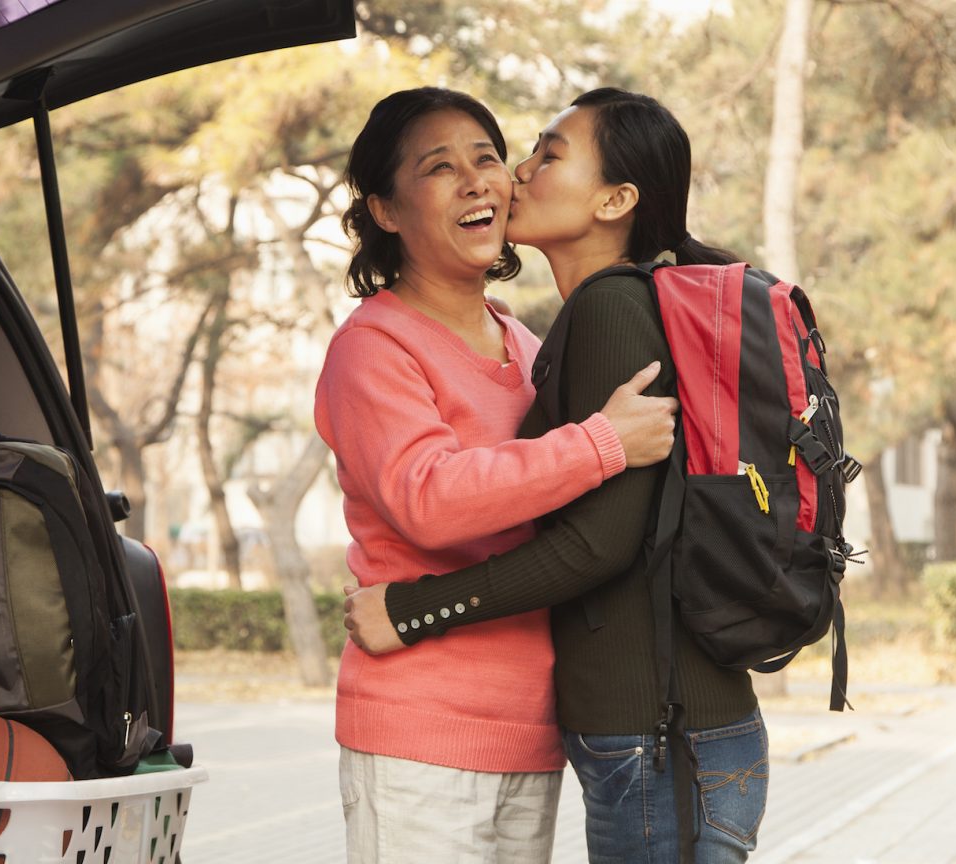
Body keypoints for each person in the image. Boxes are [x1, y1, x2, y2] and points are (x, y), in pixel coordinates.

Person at [344, 87, 768, 863]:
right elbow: (430, 499)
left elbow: (599, 535)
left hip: (545, 731)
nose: (491, 178)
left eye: (488, 157)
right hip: (426, 729)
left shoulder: (535, 338)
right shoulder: (375, 346)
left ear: (616, 200)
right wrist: (601, 443)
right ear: (386, 210)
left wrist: (415, 609)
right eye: (439, 168)